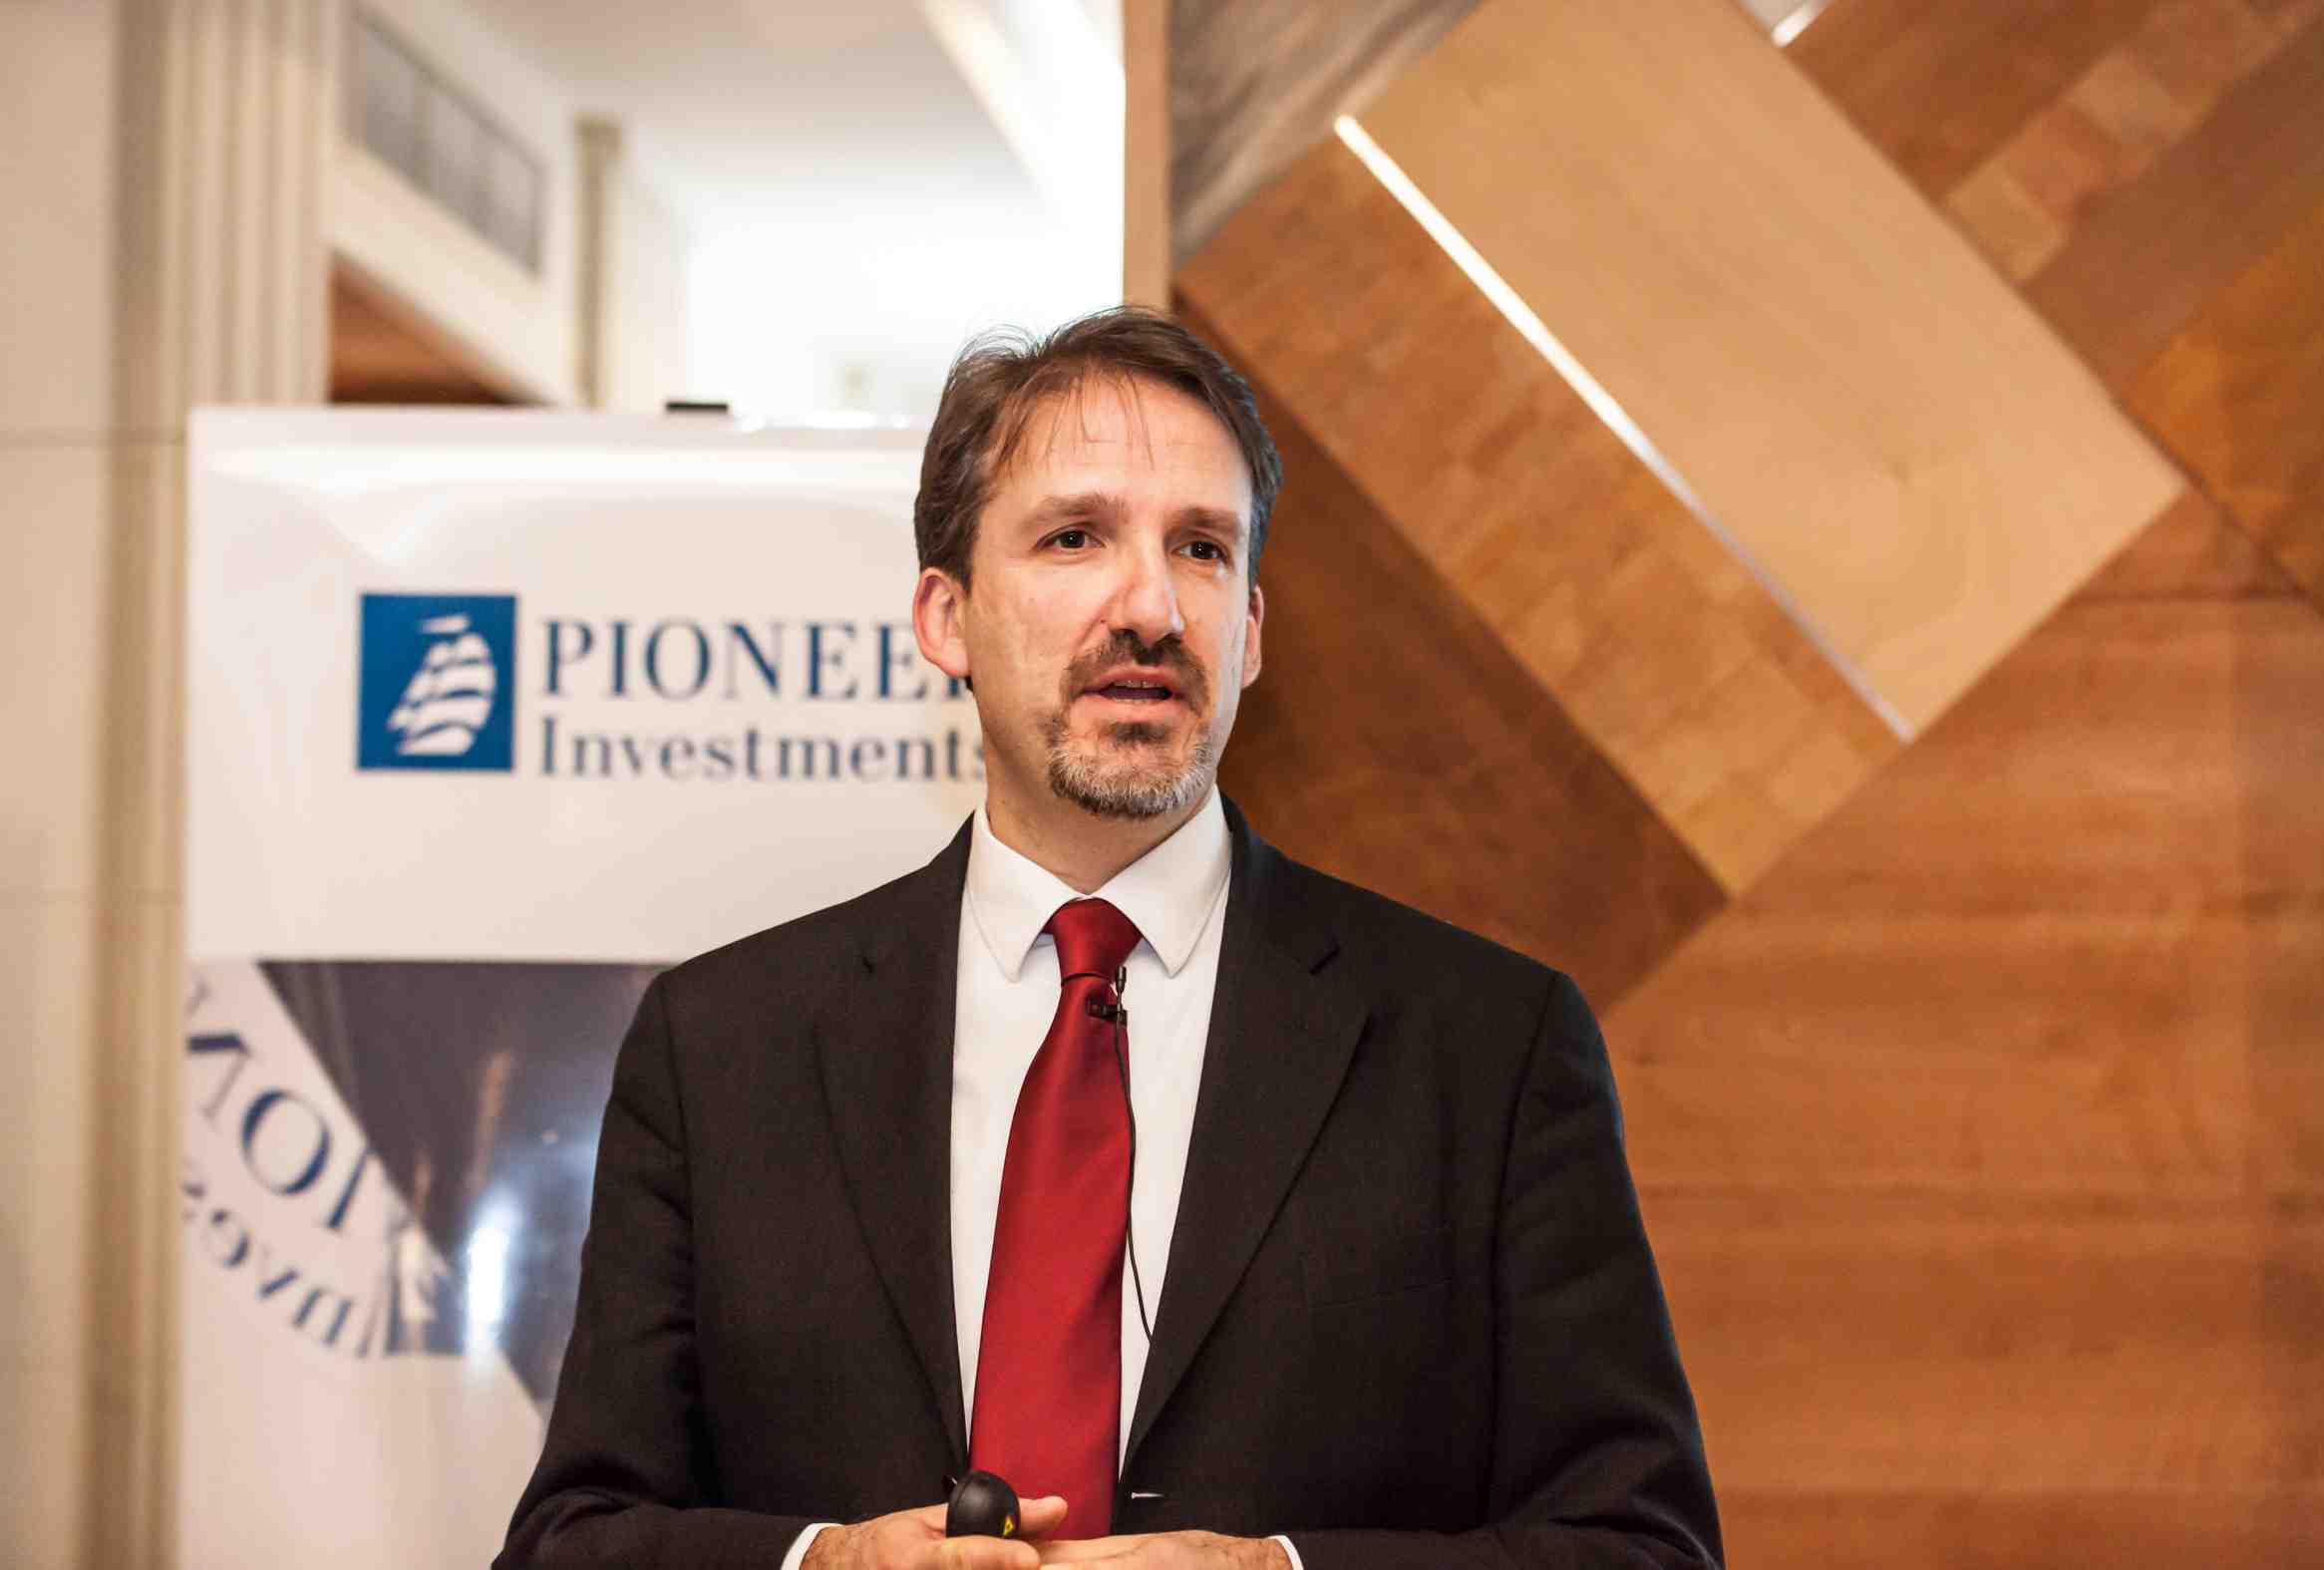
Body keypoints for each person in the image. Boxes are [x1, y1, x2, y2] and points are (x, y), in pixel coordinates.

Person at [495, 308, 1722, 1570]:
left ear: (1250, 631)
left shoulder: (1488, 1048)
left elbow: (1642, 1549)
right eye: (1074, 537)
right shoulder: (721, 1049)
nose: (1151, 607)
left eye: (1201, 548)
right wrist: (824, 1565)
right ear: (946, 618)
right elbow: (571, 1543)